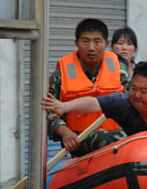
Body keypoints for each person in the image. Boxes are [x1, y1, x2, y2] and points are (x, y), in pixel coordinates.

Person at [47, 18, 126, 157]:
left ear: (106, 44)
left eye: (97, 41)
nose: (91, 47)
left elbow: (134, 103)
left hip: (118, 137)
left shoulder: (120, 71)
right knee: (104, 140)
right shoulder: (61, 76)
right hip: (79, 139)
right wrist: (64, 132)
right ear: (76, 43)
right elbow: (49, 114)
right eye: (85, 41)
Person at [111, 26, 138, 91]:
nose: (124, 48)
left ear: (135, 48)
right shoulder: (109, 68)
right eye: (120, 43)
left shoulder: (139, 69)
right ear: (112, 47)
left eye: (129, 44)